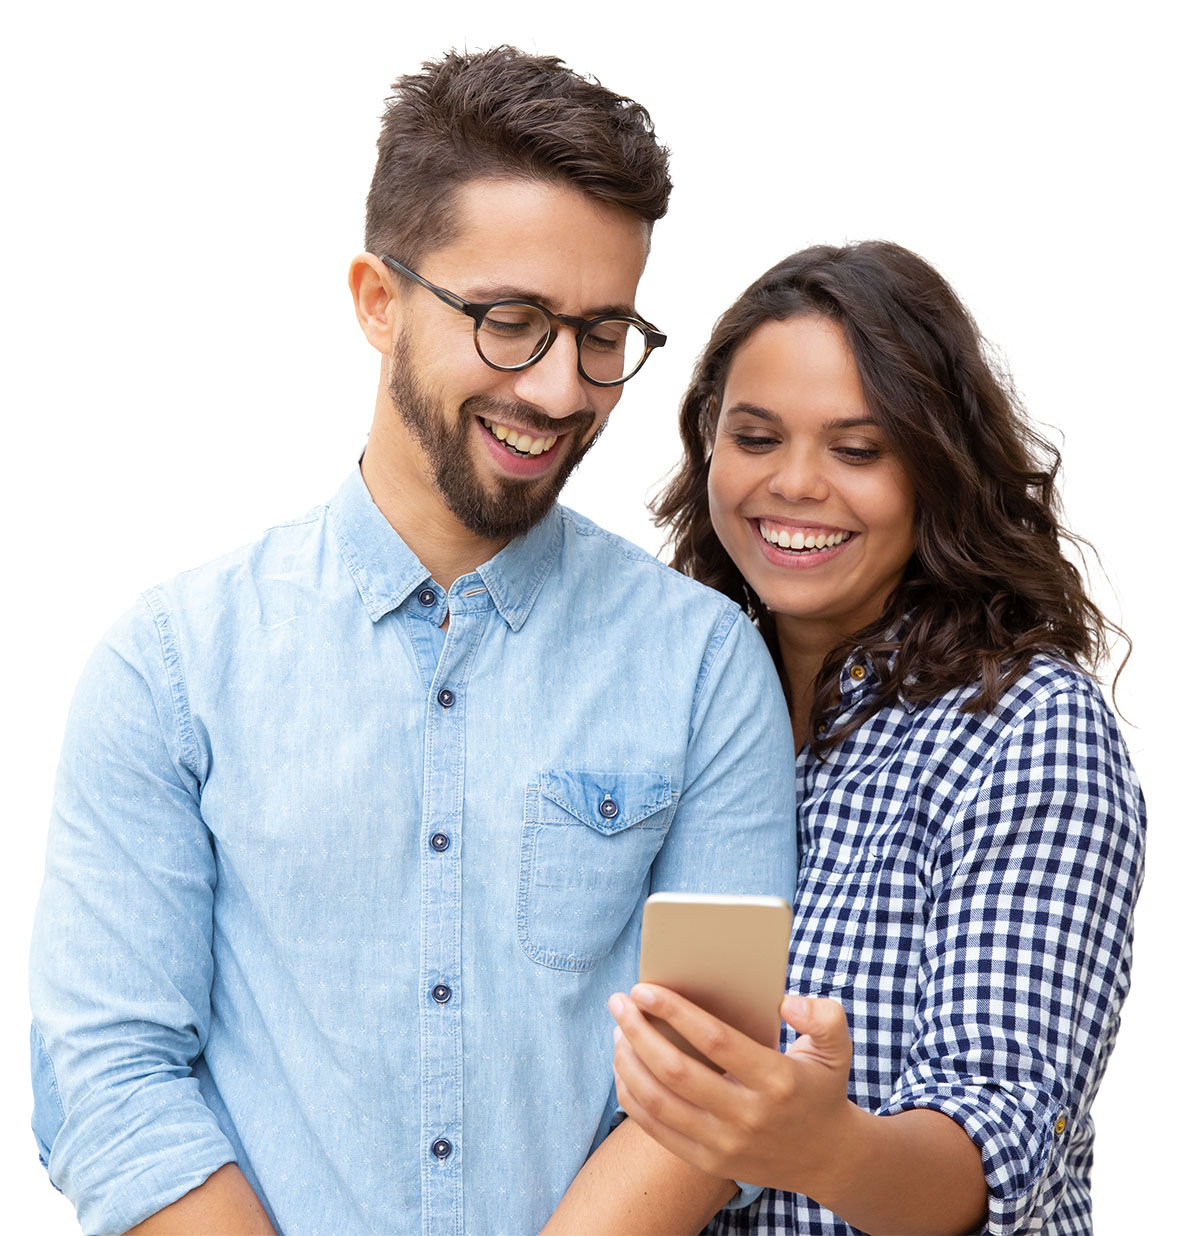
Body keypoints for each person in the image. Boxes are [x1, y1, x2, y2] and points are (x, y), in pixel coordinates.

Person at [29, 48, 796, 1235]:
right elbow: (112, 1079)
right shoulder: (172, 667)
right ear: (378, 301)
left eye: (603, 334)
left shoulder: (706, 672)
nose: (560, 388)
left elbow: (711, 1084)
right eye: (510, 321)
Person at [606, 241, 1145, 1234]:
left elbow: (998, 1144)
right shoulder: (665, 704)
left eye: (858, 450)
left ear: (939, 467)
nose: (796, 484)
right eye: (756, 436)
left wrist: (824, 1146)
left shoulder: (1024, 729)